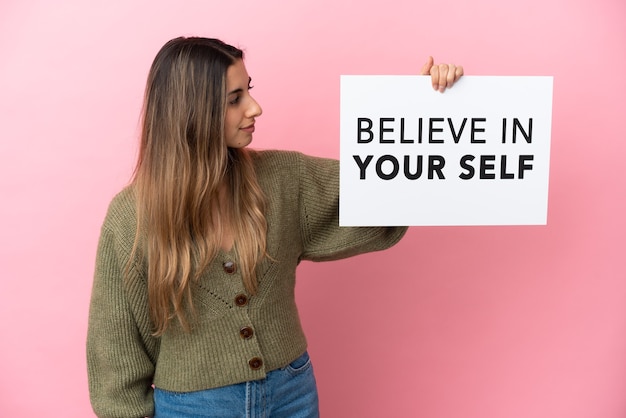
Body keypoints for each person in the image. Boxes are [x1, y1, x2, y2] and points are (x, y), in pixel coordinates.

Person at [87, 36, 463, 418]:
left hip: (292, 394)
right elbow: (115, 357)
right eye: (234, 99)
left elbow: (382, 190)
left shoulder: (283, 179)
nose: (255, 107)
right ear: (191, 112)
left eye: (248, 90)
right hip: (193, 408)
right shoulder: (131, 219)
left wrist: (425, 111)